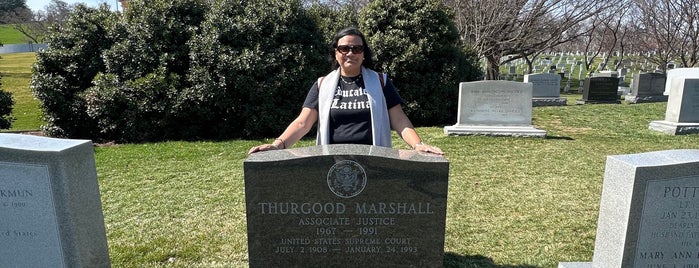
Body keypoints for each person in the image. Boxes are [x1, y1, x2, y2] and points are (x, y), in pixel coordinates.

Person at [248, 27, 443, 155]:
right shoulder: (322, 84)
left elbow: (399, 120)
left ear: (364, 54)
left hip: (374, 161)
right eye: (344, 48)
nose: (351, 53)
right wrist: (277, 145)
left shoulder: (381, 81)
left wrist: (418, 145)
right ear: (336, 52)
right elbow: (303, 122)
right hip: (332, 162)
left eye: (357, 49)